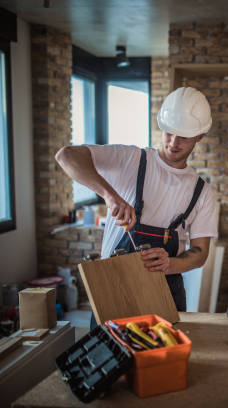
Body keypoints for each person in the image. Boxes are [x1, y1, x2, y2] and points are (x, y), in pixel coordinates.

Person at [56, 87, 218, 315]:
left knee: (166, 351)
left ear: (199, 137)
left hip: (165, 295)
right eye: (169, 132)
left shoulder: (202, 192)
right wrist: (109, 195)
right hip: (113, 291)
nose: (173, 142)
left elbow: (200, 253)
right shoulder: (130, 159)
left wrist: (170, 264)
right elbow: (66, 155)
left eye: (183, 137)